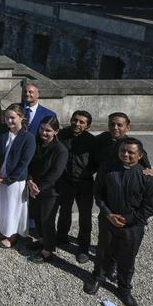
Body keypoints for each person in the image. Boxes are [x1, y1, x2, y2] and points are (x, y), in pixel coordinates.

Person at [84, 137, 153, 306]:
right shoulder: (107, 170)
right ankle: (98, 278)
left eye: (131, 152)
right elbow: (99, 194)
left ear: (140, 155)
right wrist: (109, 214)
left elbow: (149, 207)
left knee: (127, 258)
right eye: (123, 151)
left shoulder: (148, 178)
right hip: (108, 221)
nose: (126, 154)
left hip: (133, 226)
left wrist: (128, 219)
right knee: (103, 251)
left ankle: (124, 289)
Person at [0, 104, 36, 249]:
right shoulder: (2, 132)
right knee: (1, 205)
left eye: (13, 118)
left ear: (21, 118)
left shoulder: (28, 138)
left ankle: (12, 235)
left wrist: (9, 179)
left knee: (12, 208)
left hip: (14, 180)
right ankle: (3, 229)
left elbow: (24, 163)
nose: (9, 121)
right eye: (7, 117)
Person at [56, 110, 97, 263]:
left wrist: (86, 172)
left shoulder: (92, 141)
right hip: (65, 181)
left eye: (81, 122)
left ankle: (83, 247)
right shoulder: (61, 135)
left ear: (88, 126)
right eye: (75, 120)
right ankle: (61, 237)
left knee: (85, 216)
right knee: (64, 210)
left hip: (84, 183)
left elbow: (96, 162)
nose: (77, 124)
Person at [27, 115, 68, 264]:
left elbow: (55, 174)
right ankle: (42, 239)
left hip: (51, 191)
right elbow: (29, 163)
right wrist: (30, 181)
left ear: (56, 132)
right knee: (36, 216)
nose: (44, 133)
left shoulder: (61, 150)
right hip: (34, 187)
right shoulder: (36, 142)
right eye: (42, 129)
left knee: (47, 220)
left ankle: (47, 251)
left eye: (48, 131)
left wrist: (38, 188)